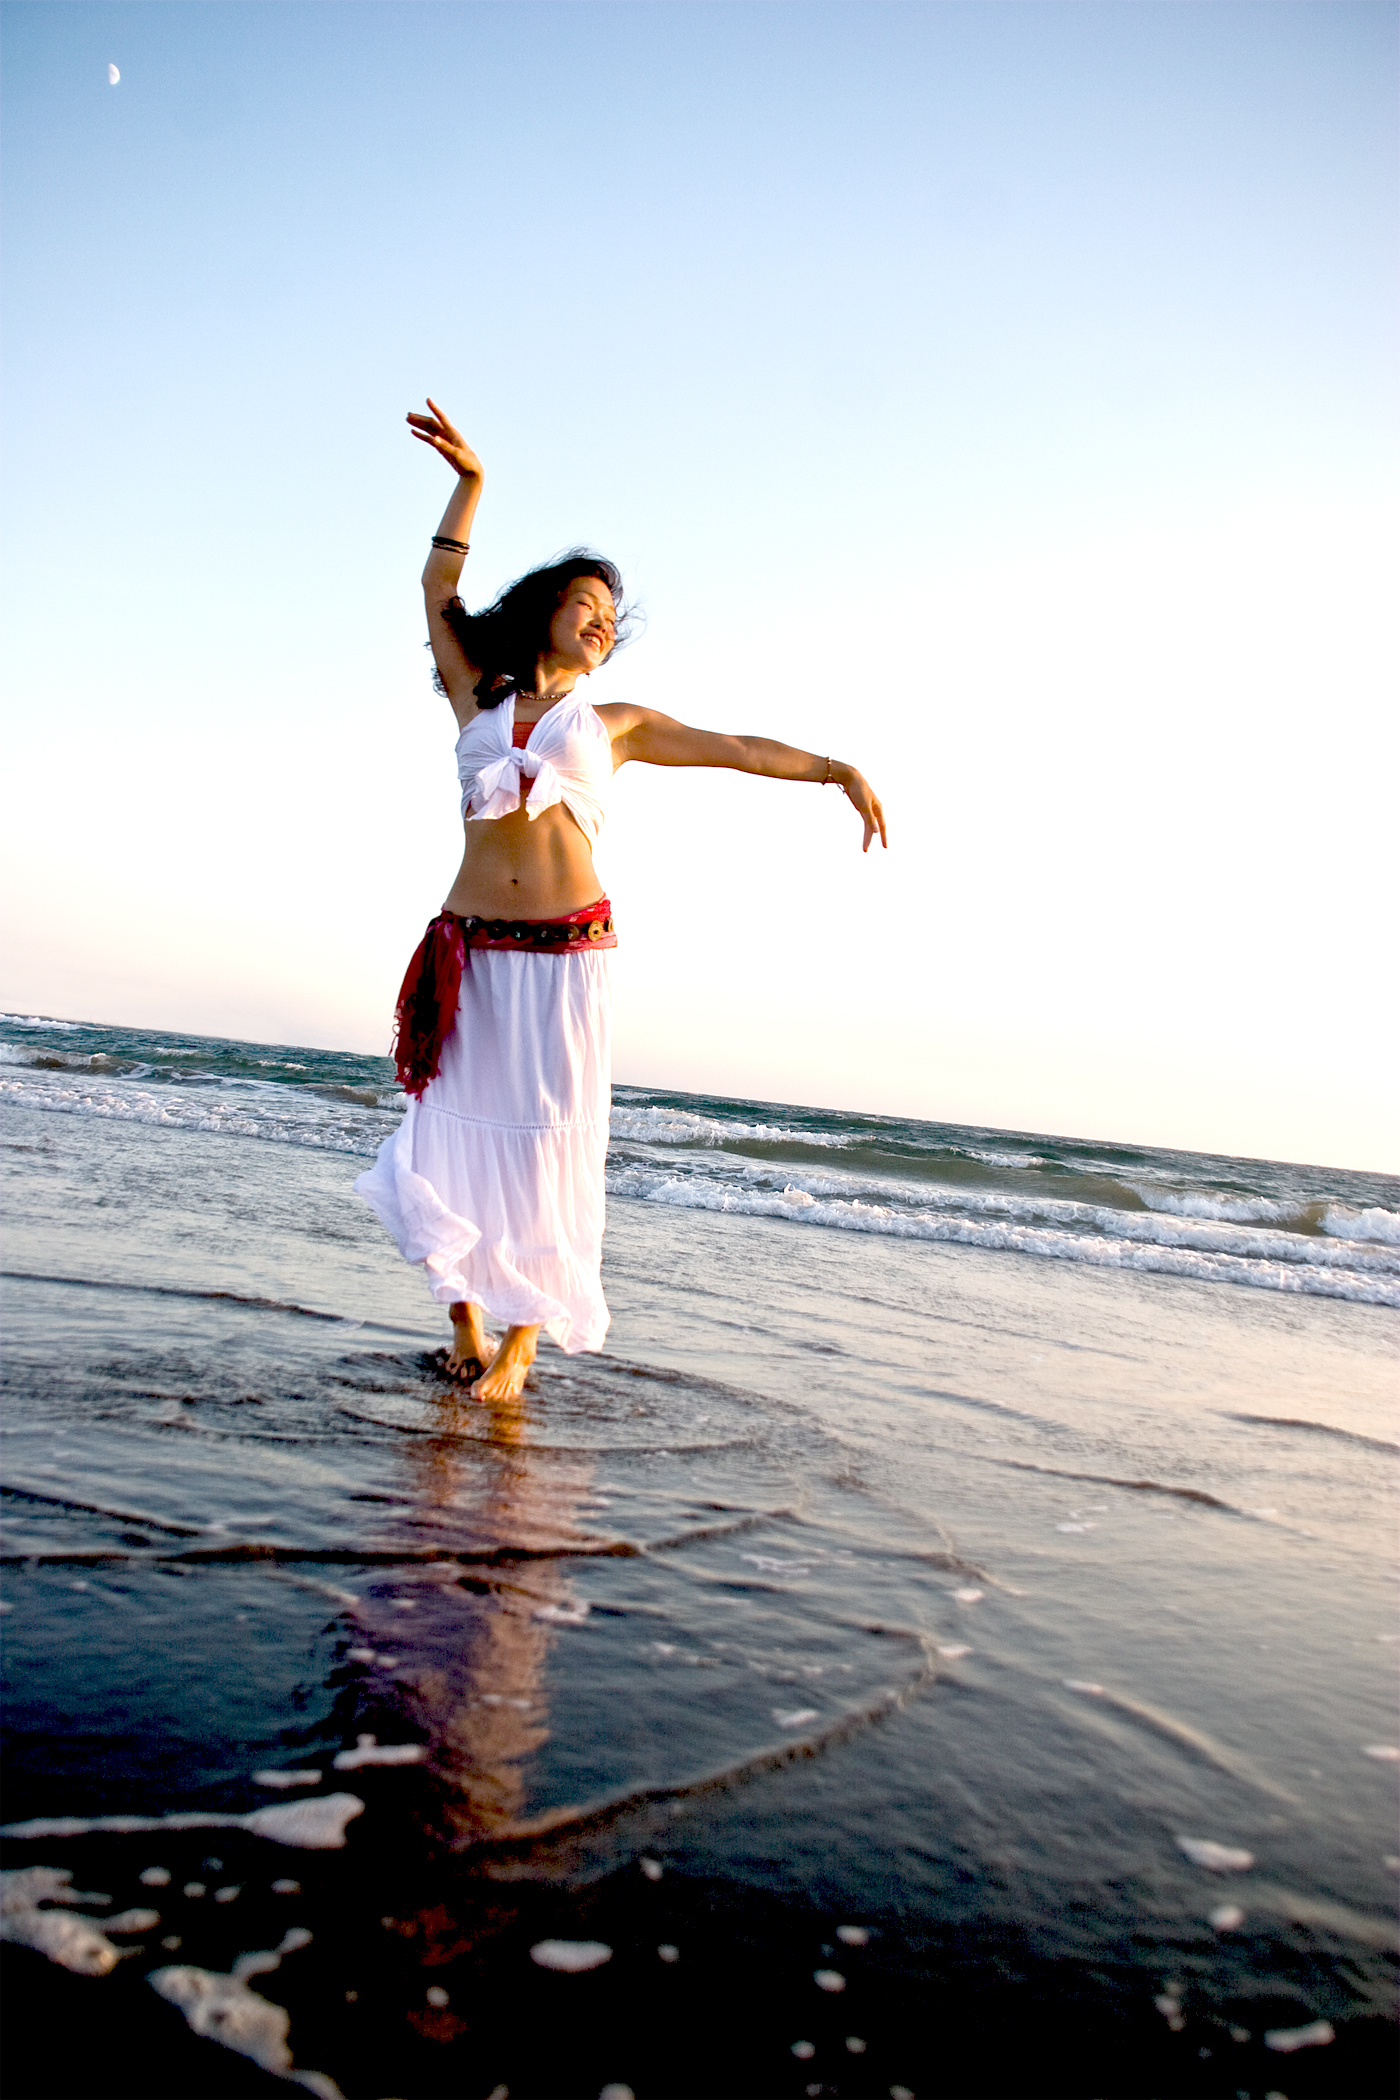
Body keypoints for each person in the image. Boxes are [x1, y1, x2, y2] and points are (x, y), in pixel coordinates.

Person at [355, 400, 887, 1403]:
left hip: (567, 956)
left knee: (548, 1144)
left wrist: (835, 770)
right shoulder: (478, 696)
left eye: (613, 615)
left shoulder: (615, 724)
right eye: (587, 602)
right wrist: (472, 485)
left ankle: (521, 1341)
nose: (603, 620)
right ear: (547, 607)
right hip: (471, 949)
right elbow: (437, 589)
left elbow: (737, 749)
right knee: (445, 1133)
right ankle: (464, 1318)